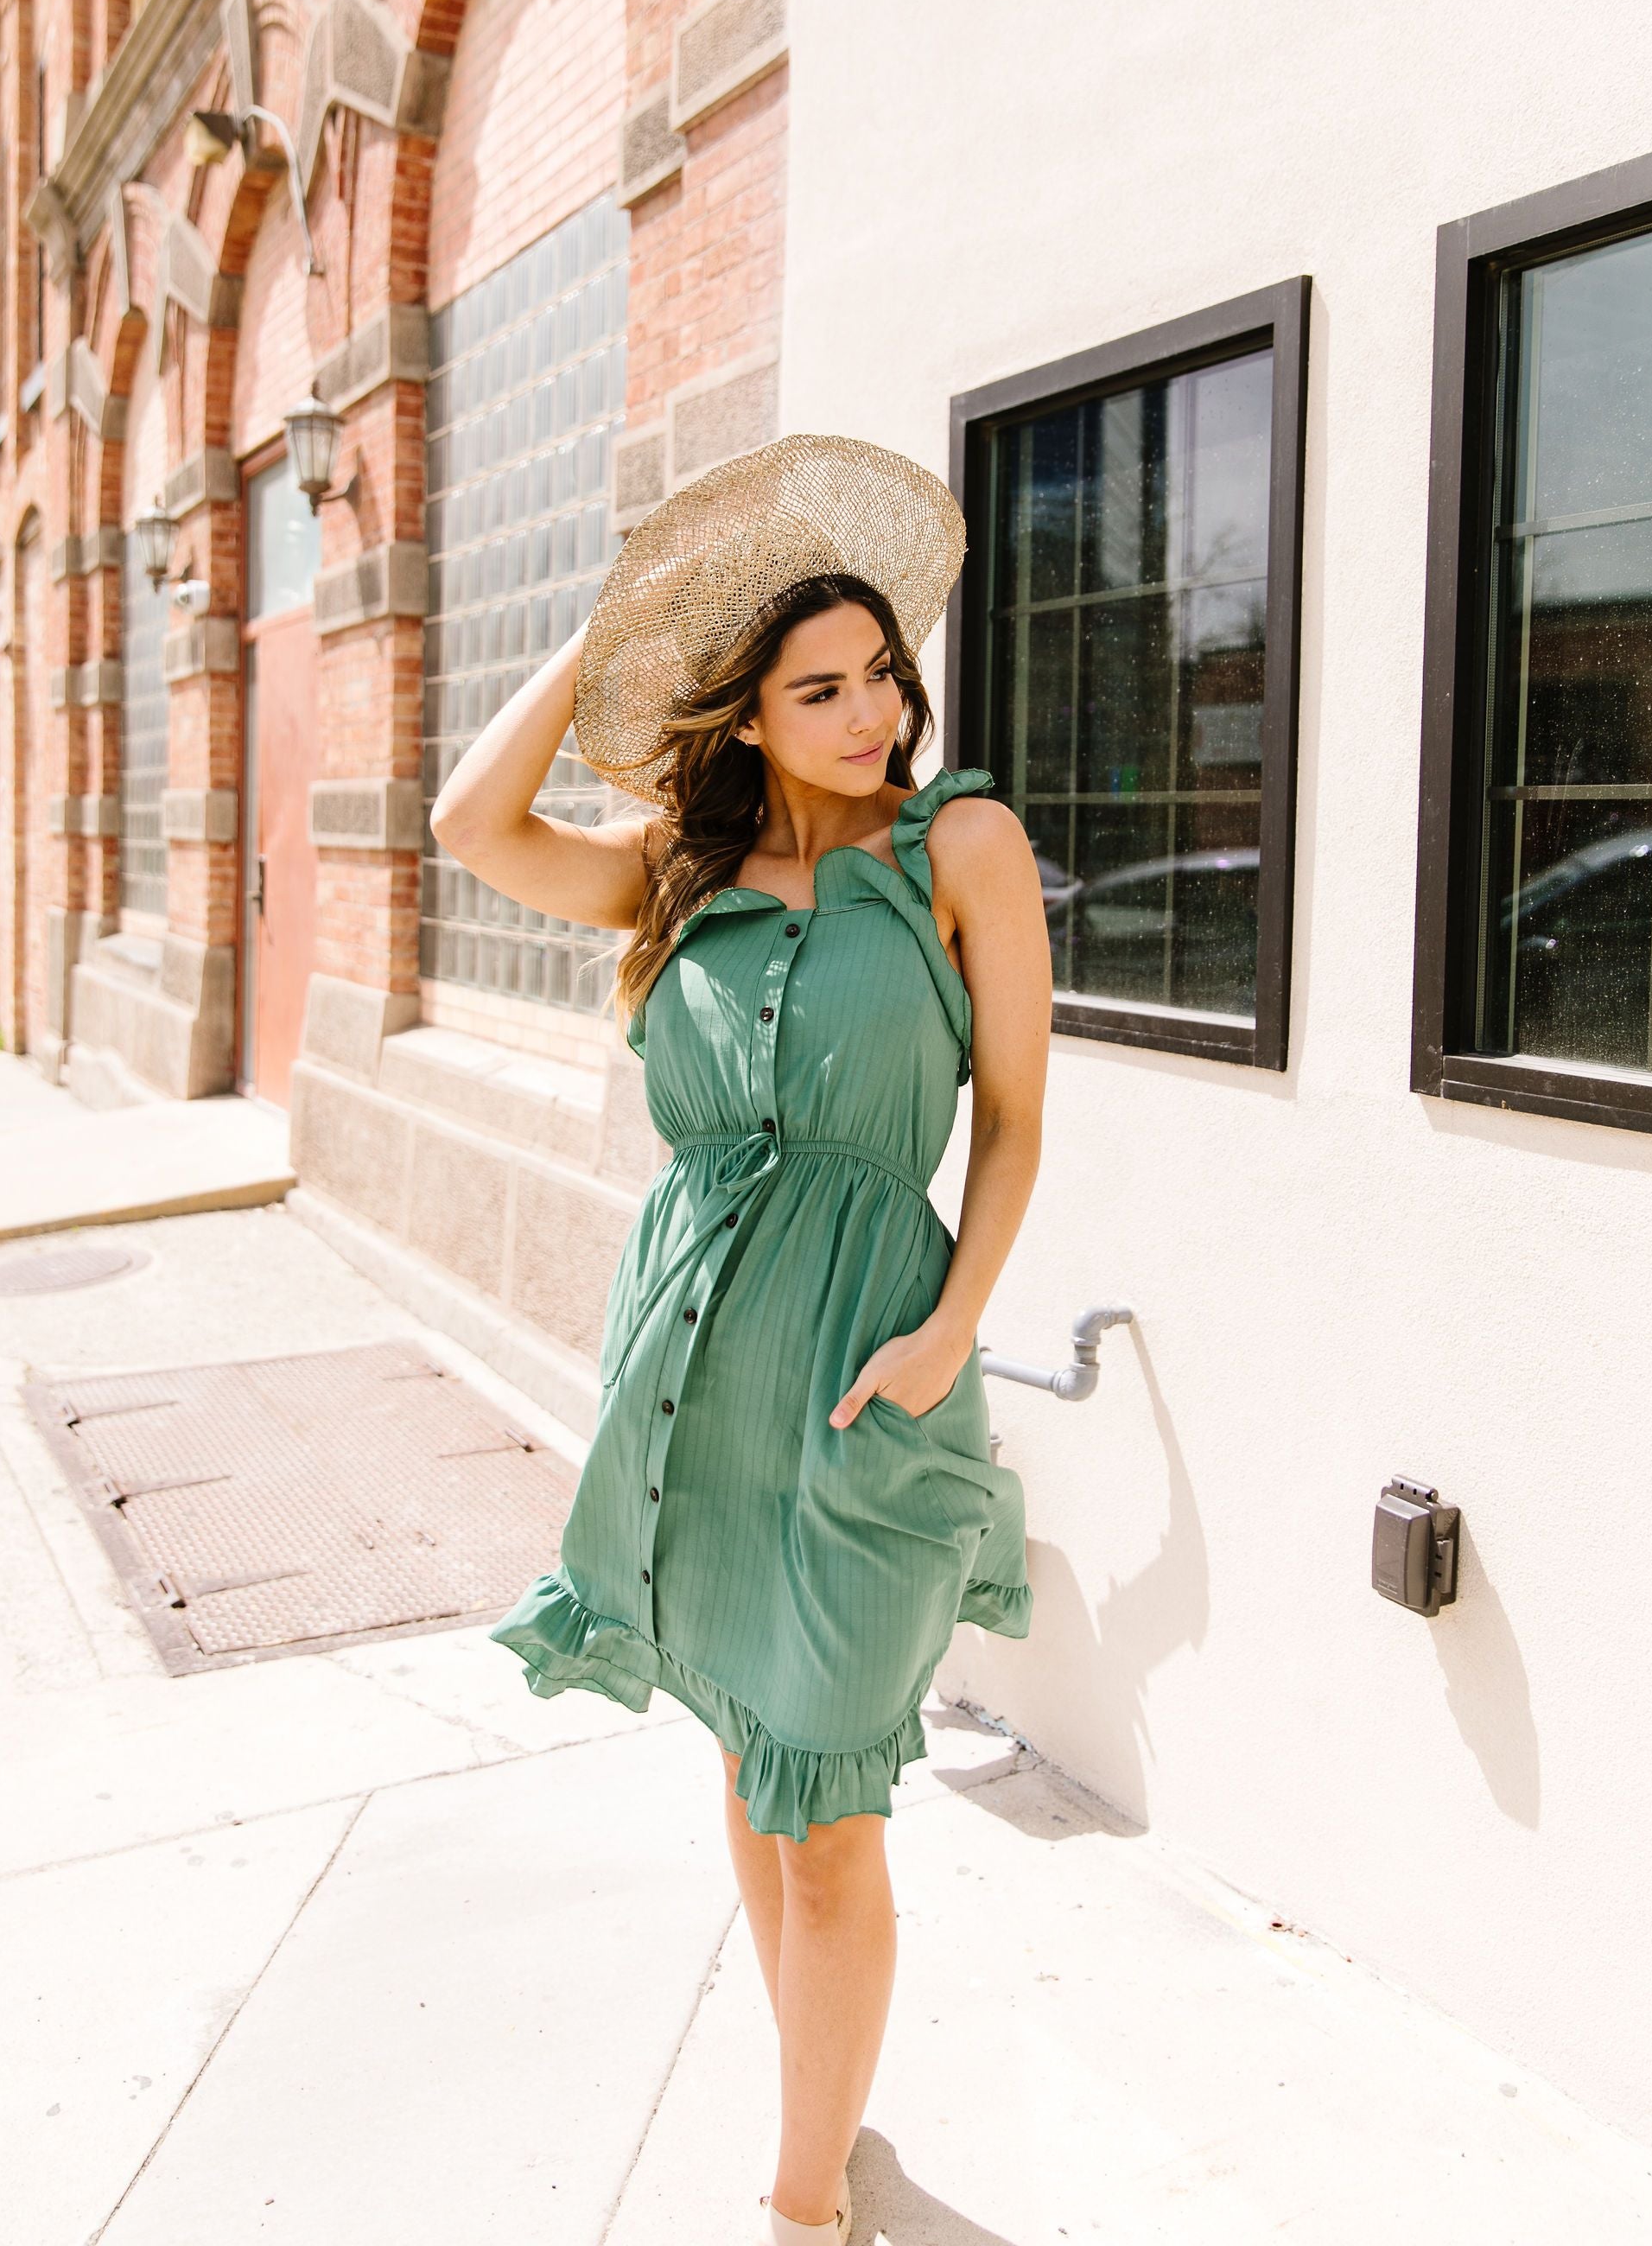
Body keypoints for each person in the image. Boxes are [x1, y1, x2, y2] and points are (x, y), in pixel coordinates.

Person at [430, 434, 1051, 2244]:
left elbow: (1010, 1121)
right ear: (748, 715)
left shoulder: (961, 848)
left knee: (835, 1800)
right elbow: (472, 823)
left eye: (882, 676)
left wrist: (951, 1337)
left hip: (871, 1370)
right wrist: (614, 620)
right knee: (746, 1760)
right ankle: (828, 2112)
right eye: (822, 687)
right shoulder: (676, 874)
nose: (873, 713)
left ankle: (801, 2205)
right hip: (689, 1379)